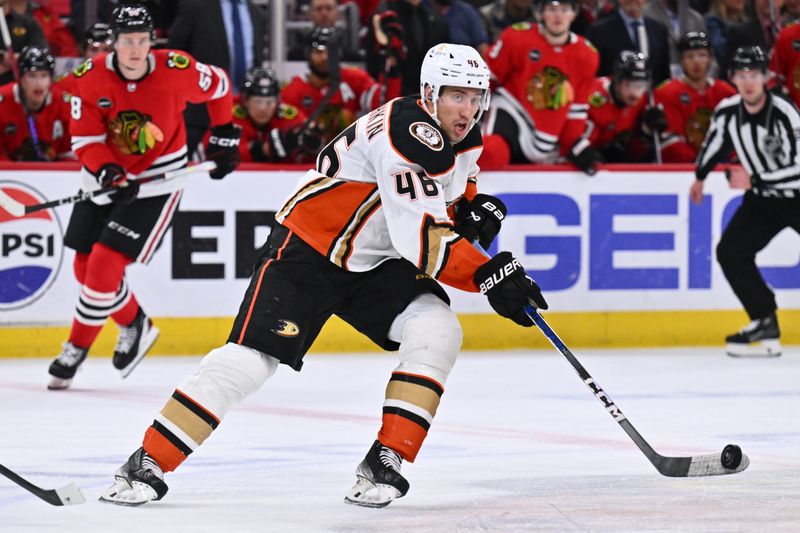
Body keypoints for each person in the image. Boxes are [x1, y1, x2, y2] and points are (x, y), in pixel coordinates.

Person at [98, 43, 548, 508]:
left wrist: (471, 206)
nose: (469, 109)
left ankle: (386, 459)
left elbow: (455, 185)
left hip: (374, 261)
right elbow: (422, 240)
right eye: (458, 96)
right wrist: (489, 276)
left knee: (436, 328)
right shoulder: (407, 136)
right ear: (429, 93)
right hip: (307, 252)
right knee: (250, 361)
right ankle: (148, 461)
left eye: (477, 97)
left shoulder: (459, 136)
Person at [45, 4, 240, 390]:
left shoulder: (178, 69)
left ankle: (75, 347)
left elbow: (218, 85)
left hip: (157, 180)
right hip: (103, 176)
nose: (135, 49)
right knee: (84, 268)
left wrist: (224, 134)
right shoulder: (88, 77)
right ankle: (135, 322)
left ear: (152, 41)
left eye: (142, 40)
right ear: (113, 43)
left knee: (103, 265)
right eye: (127, 41)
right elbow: (85, 139)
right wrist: (109, 171)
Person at [691, 45, 800, 358]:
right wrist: (700, 176)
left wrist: (755, 180)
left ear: (765, 77)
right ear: (732, 79)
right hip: (764, 201)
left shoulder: (784, 111)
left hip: (796, 196)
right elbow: (714, 143)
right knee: (731, 252)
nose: (748, 81)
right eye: (741, 75)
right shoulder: (728, 110)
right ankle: (764, 321)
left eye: (754, 74)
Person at [479, 0, 600, 173]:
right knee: (490, 153)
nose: (558, 15)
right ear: (541, 12)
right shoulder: (516, 37)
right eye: (551, 9)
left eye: (565, 9)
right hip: (511, 112)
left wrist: (574, 143)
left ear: (574, 14)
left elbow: (576, 109)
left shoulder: (586, 55)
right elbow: (487, 79)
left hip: (548, 135)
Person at [281, 26, 401, 145]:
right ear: (308, 54)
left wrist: (391, 67)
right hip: (307, 160)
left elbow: (383, 104)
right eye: (318, 52)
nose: (325, 57)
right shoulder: (292, 90)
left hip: (350, 156)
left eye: (331, 51)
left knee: (345, 116)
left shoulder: (355, 78)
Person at [206, 66, 322, 163]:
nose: (263, 108)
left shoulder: (287, 114)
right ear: (245, 100)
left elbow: (312, 135)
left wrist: (312, 142)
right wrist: (261, 149)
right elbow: (215, 152)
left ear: (277, 101)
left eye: (269, 102)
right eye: (257, 101)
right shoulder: (229, 113)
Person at [656, 31, 736, 162]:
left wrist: (734, 160)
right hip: (684, 171)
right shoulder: (667, 93)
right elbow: (670, 142)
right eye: (690, 56)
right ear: (681, 61)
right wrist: (700, 164)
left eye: (702, 55)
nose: (696, 61)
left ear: (710, 58)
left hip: (723, 167)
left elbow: (737, 133)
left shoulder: (726, 92)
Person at [585, 50, 659, 163]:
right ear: (616, 80)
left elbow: (634, 154)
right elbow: (572, 144)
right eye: (629, 84)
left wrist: (646, 132)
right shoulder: (592, 97)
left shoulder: (646, 101)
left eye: (641, 86)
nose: (635, 93)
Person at [0, 46, 72, 161]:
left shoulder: (65, 105)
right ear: (21, 79)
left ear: (50, 79)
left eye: (43, 76)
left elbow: (71, 155)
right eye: (32, 76)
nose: (38, 83)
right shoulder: (2, 102)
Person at [587, 0, 671, 85]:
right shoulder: (599, 31)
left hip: (652, 95)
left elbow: (663, 73)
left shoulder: (659, 29)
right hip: (613, 94)